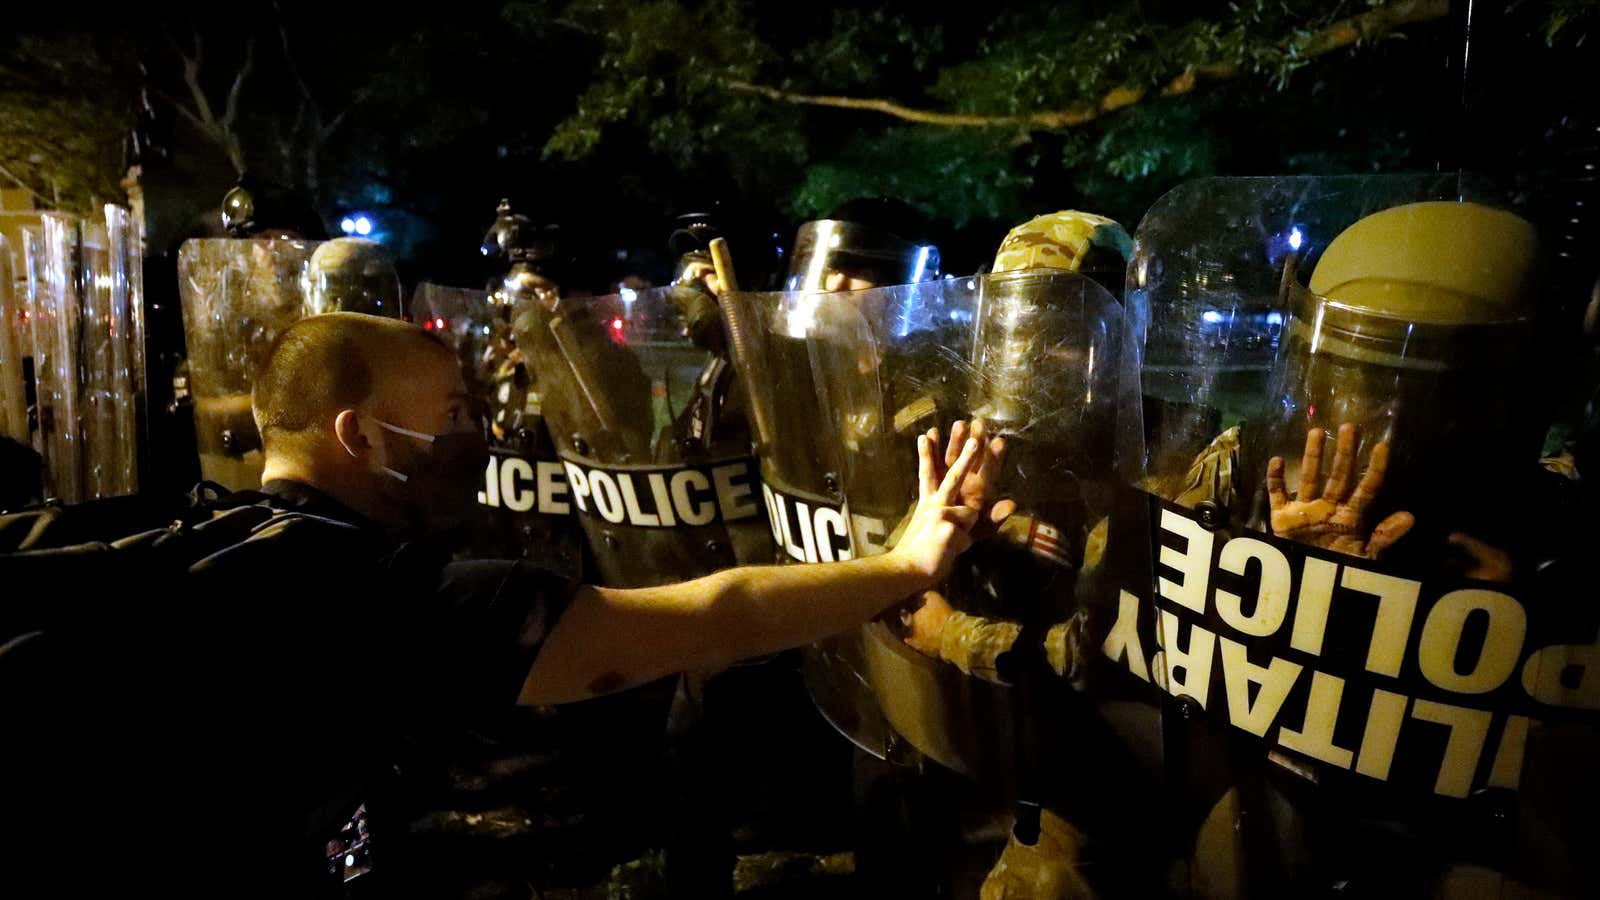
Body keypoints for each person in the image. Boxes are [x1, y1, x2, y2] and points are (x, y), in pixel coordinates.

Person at [151, 311, 1007, 896]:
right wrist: (906, 563)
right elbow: (717, 616)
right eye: (452, 414)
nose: (473, 434)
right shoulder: (406, 604)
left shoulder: (211, 537)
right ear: (360, 436)